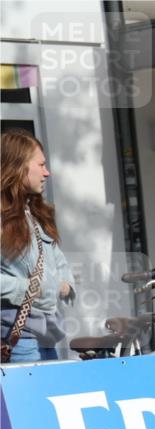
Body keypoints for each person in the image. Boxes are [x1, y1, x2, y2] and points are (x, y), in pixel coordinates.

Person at [1, 129, 75, 363]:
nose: (47, 172)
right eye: (41, 165)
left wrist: (66, 285)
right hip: (16, 335)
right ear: (18, 166)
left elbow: (58, 259)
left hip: (46, 333)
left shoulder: (33, 213)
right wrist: (34, 289)